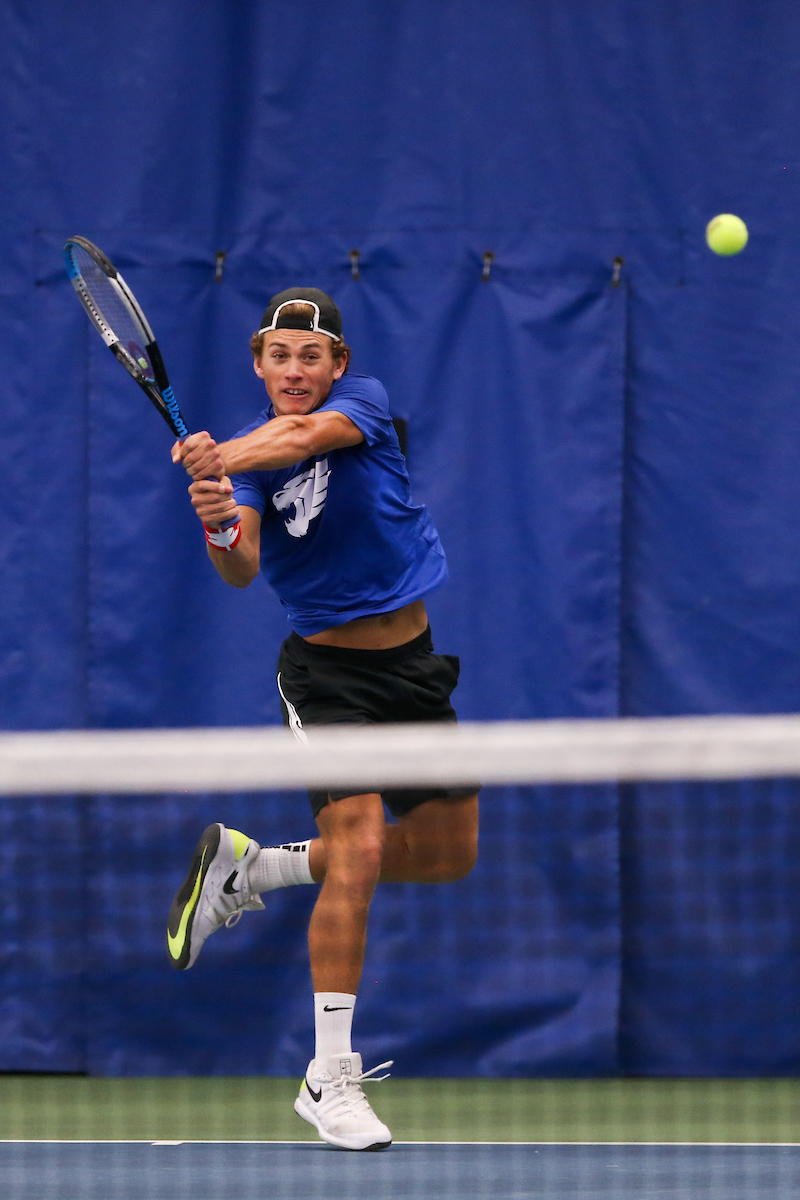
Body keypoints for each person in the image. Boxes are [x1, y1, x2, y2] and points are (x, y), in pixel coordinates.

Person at [166, 287, 479, 1151]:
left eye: (312, 356)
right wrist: (223, 520)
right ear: (259, 364)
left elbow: (306, 438)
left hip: (414, 668)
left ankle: (255, 870)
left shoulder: (361, 408)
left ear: (338, 365)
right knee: (364, 849)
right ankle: (329, 1079)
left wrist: (213, 457)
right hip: (327, 677)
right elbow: (241, 572)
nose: (296, 370)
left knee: (448, 856)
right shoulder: (250, 465)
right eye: (279, 355)